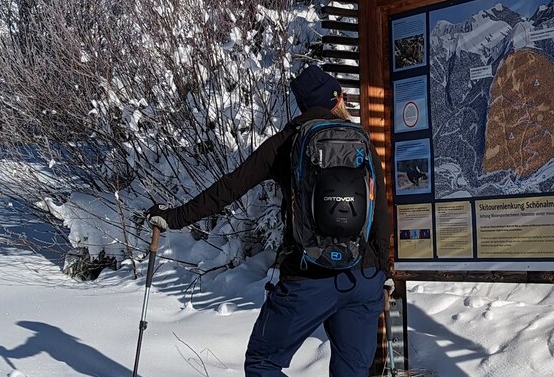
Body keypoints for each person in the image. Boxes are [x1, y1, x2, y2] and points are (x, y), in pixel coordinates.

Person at [147, 64, 393, 377]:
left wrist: (173, 217)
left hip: (309, 276)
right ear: (338, 99)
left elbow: (228, 188)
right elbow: (380, 213)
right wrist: (380, 271)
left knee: (263, 363)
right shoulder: (361, 143)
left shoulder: (285, 144)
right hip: (362, 277)